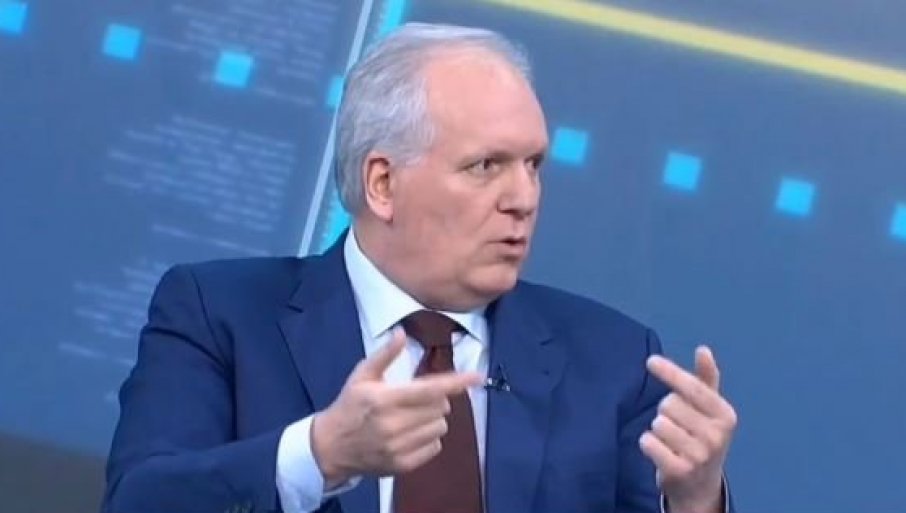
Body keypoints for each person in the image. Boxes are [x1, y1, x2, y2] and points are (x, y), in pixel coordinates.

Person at [102, 22, 737, 513]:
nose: (524, 198)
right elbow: (140, 502)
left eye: (534, 165)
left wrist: (695, 501)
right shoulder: (218, 315)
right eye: (486, 166)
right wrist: (319, 455)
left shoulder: (616, 363)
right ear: (382, 183)